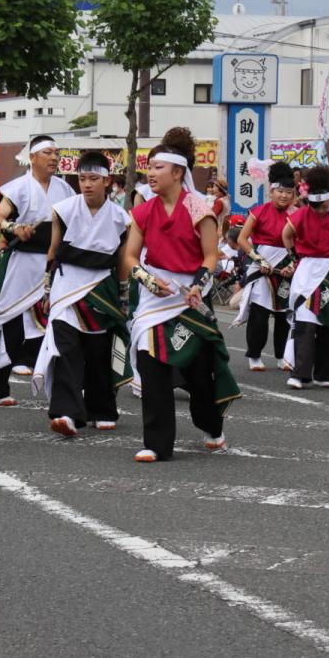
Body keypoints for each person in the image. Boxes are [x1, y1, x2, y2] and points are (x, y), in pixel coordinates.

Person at [123, 127, 240, 462]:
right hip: (153, 297)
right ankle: (157, 444)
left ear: (178, 172)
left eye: (158, 167)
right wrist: (146, 279)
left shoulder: (198, 208)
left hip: (189, 294)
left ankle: (211, 424)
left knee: (199, 371)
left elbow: (210, 255)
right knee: (152, 363)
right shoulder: (144, 210)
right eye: (150, 167)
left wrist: (197, 286)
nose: (151, 173)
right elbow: (130, 257)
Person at [0, 135, 75, 405]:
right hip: (22, 264)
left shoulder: (65, 189)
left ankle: (64, 394)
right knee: (9, 322)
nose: (53, 157)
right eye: (47, 152)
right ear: (32, 158)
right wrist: (14, 228)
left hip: (54, 264)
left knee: (60, 323)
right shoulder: (19, 187)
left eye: (56, 152)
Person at [32, 151, 132, 437]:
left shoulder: (121, 218)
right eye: (82, 178)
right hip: (66, 287)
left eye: (93, 179)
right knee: (65, 350)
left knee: (98, 352)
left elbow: (122, 261)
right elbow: (53, 251)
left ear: (107, 181)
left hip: (101, 288)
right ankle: (67, 412)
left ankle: (101, 408)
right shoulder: (63, 209)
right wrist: (47, 290)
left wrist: (123, 296)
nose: (87, 184)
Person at [280, 166, 329, 389]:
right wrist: (294, 257)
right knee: (305, 320)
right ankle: (300, 373)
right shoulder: (301, 214)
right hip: (307, 268)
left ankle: (327, 373)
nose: (321, 211)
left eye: (324, 206)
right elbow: (286, 235)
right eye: (317, 207)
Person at [234, 161, 297, 373]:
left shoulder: (297, 215)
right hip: (261, 266)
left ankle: (281, 355)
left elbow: (301, 244)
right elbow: (242, 239)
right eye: (280, 191)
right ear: (271, 191)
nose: (284, 196)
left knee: (283, 314)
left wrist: (294, 266)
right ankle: (254, 354)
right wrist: (259, 260)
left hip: (286, 268)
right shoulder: (258, 212)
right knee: (259, 315)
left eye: (289, 192)